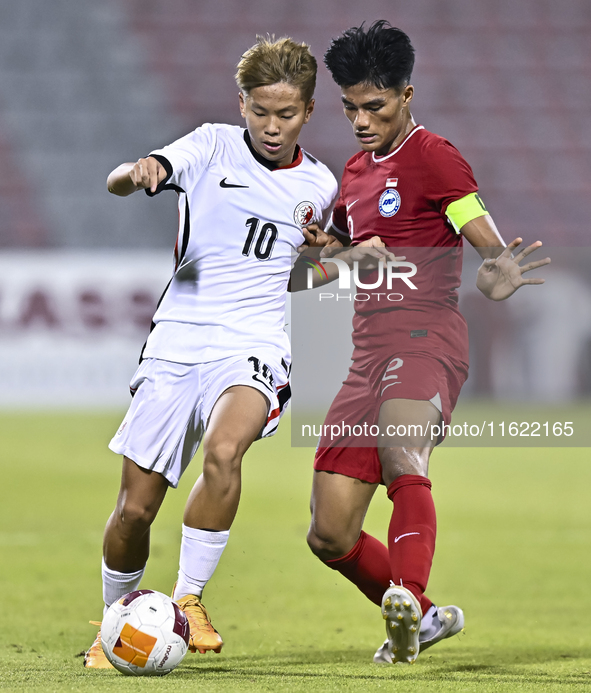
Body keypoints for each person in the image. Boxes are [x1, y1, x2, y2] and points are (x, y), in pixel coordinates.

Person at [295, 21, 550, 664]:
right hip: (365, 355)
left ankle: (406, 598)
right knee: (328, 534)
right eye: (350, 106)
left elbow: (482, 239)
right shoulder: (351, 174)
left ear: (407, 95)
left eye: (374, 106)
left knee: (403, 457)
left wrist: (498, 271)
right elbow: (304, 274)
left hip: (428, 336)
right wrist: (340, 255)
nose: (359, 119)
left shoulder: (434, 155)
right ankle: (428, 617)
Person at [84, 36, 338, 668]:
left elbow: (307, 272)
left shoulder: (321, 184)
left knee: (225, 450)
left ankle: (188, 599)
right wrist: (135, 172)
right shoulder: (209, 145)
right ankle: (114, 619)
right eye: (260, 111)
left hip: (254, 342)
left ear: (308, 111)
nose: (271, 126)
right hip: (178, 339)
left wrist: (327, 258)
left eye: (286, 113)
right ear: (242, 104)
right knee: (134, 510)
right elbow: (125, 178)